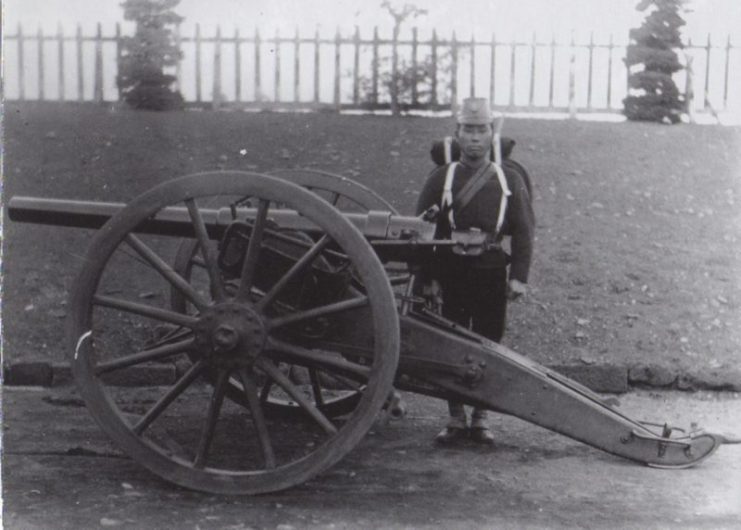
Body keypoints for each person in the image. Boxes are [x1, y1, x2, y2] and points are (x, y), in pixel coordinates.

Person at [415, 97, 535, 445]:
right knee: (450, 344)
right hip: (450, 270)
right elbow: (422, 231)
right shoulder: (442, 177)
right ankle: (455, 419)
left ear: (490, 135)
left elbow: (524, 230)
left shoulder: (508, 178)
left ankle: (481, 418)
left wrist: (519, 277)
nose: (474, 138)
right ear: (457, 133)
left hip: (490, 270)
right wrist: (427, 279)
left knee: (488, 344)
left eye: (481, 130)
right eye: (468, 130)